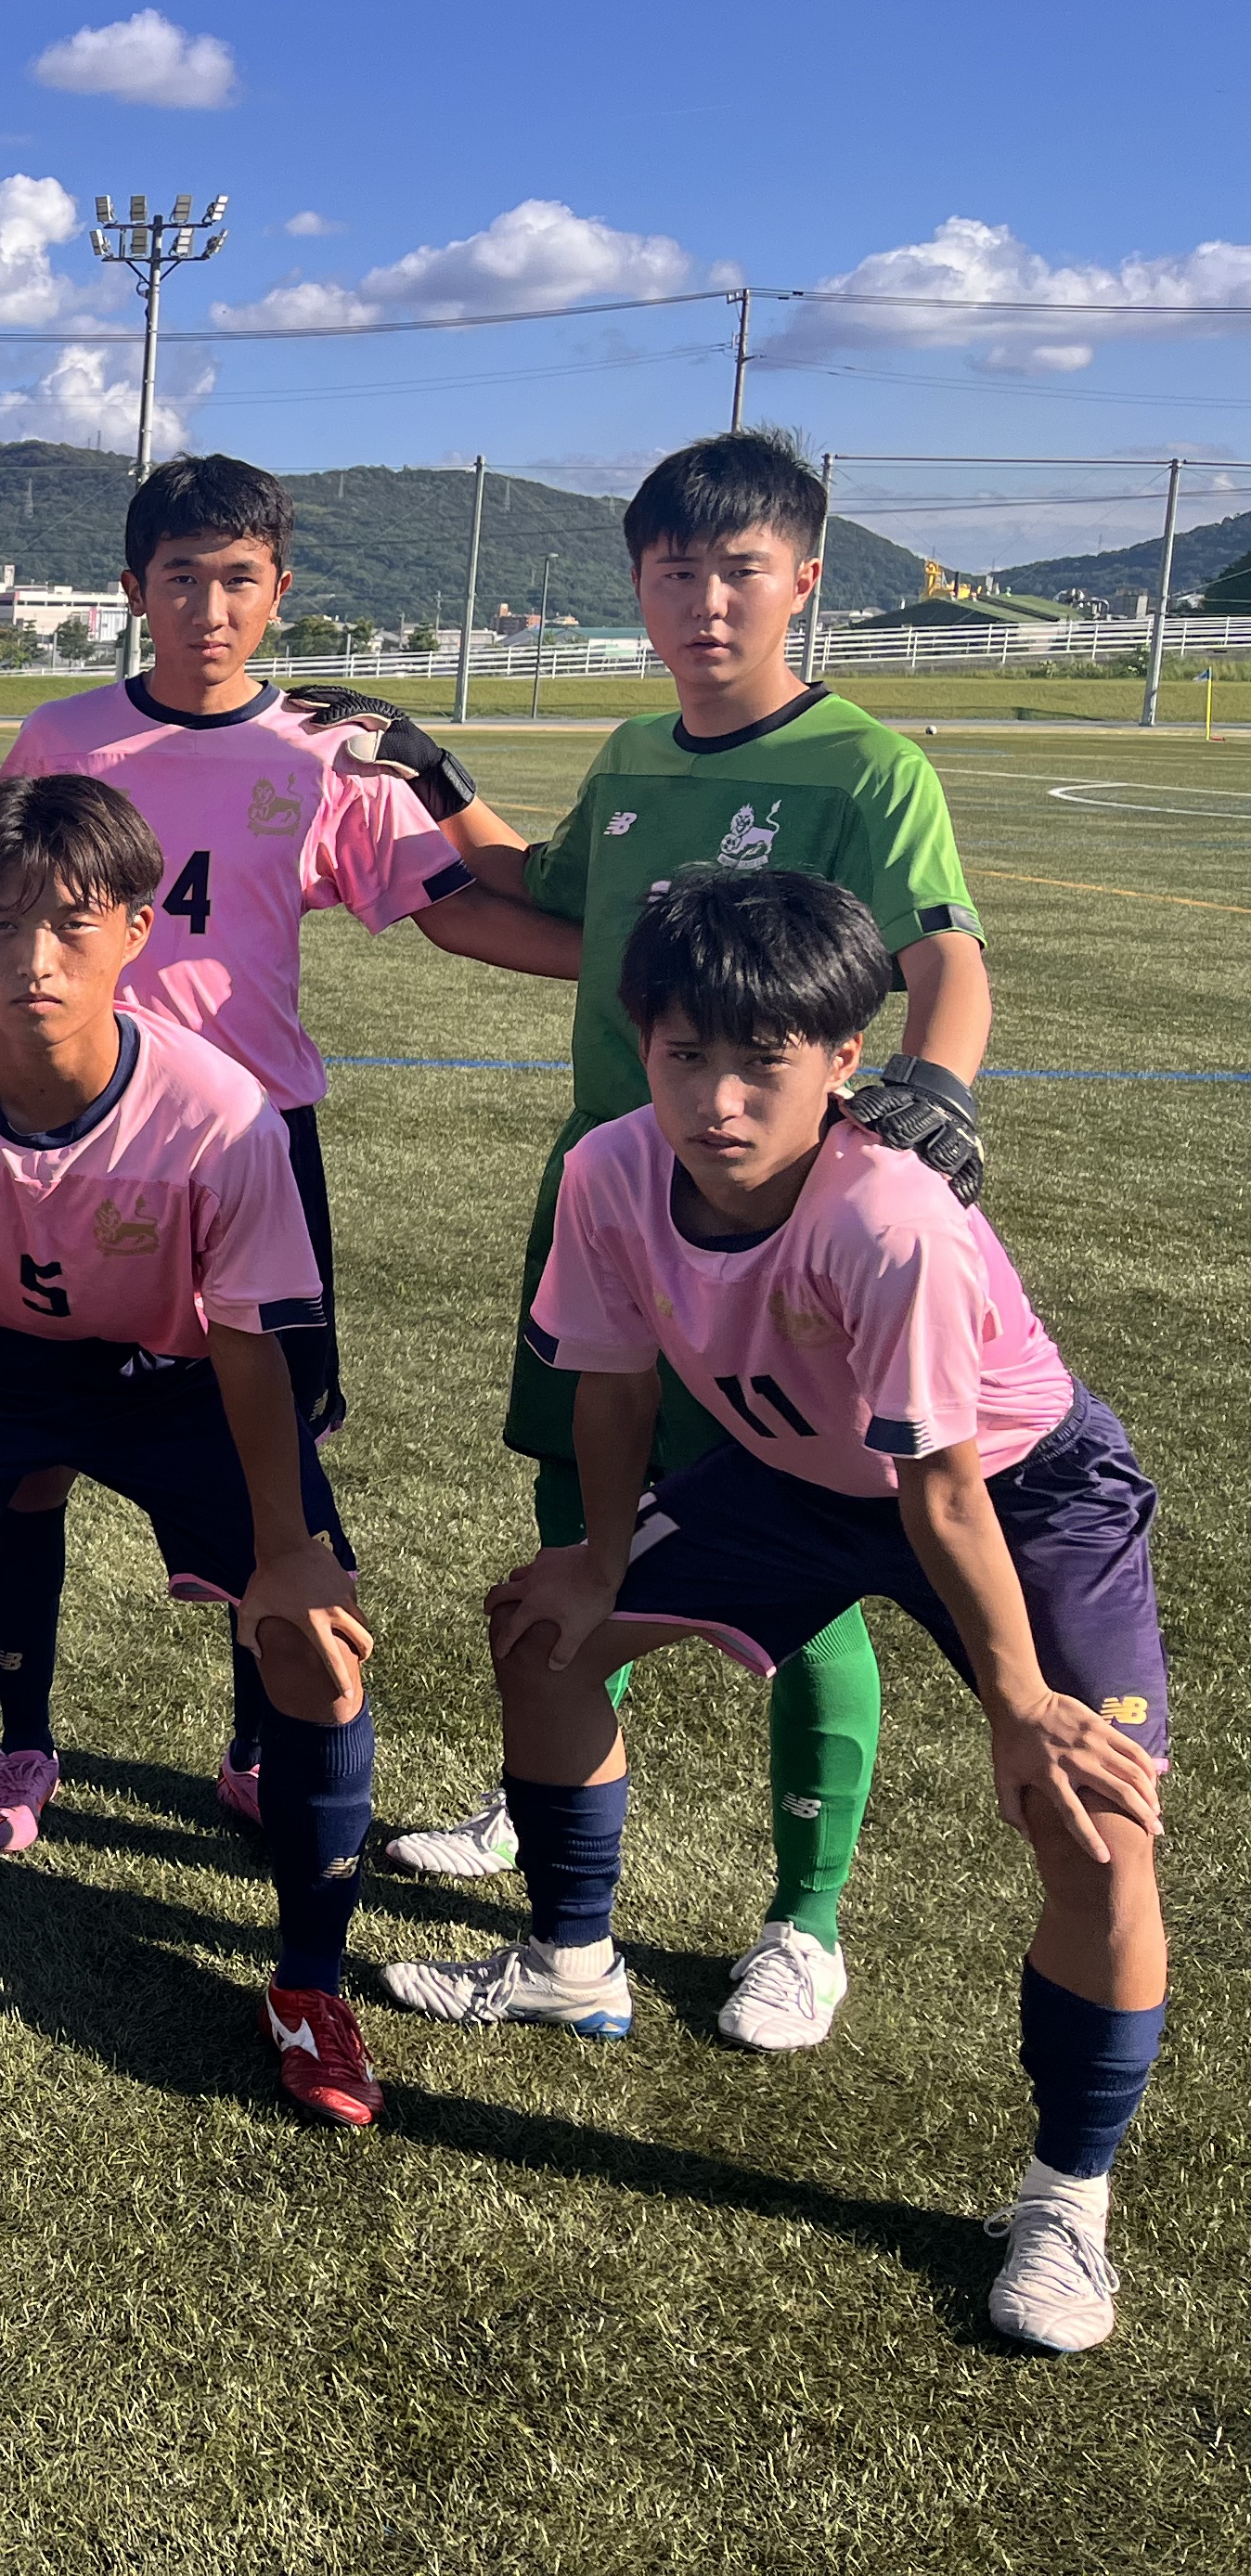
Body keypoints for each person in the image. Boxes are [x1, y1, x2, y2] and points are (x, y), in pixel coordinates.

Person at [377, 870, 1163, 2351]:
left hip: (1017, 1493)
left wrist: (1019, 1708)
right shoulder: (611, 1169)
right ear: (643, 1044)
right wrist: (598, 1557)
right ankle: (569, 1965)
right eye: (685, 1056)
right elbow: (613, 1386)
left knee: (1096, 1821)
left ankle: (1067, 2196)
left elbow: (941, 1492)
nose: (718, 1101)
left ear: (845, 1061)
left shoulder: (892, 1218)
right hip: (795, 1475)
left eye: (765, 1063)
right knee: (545, 1634)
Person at [353, 431, 992, 2056]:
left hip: (781, 1233)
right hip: (608, 1189)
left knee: (815, 1566)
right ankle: (544, 1798)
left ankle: (804, 1918)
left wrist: (936, 1085)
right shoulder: (636, 748)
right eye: (673, 571)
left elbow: (940, 951)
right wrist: (427, 778)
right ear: (637, 585)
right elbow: (557, 902)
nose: (705, 601)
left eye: (738, 570)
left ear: (803, 581)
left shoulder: (865, 769)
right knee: (586, 1508)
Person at [0, 771, 388, 2127]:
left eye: (69, 924)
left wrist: (287, 1549)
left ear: (137, 932)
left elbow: (249, 1343)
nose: (31, 960)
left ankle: (309, 1984)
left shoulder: (220, 1111)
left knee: (313, 1647)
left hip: (172, 1382)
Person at [0, 454, 576, 1852]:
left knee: (274, 1453)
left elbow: (453, 910)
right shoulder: (62, 738)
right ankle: (21, 1742)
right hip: (73, 1141)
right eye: (180, 577)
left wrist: (640, 973)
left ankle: (258, 1740)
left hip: (253, 1145)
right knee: (32, 1449)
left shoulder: (324, 752)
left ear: (280, 589)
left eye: (238, 578)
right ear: (133, 591)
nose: (209, 606)